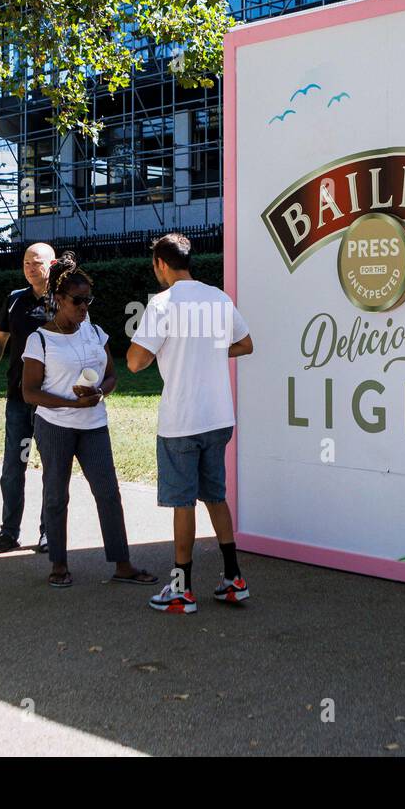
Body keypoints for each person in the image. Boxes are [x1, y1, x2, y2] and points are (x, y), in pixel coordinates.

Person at [127, 233, 254, 614]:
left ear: (160, 265)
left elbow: (135, 362)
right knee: (215, 496)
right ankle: (234, 578)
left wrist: (164, 349)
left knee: (183, 503)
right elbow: (246, 344)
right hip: (219, 416)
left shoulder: (162, 304)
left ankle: (181, 588)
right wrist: (212, 351)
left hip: (181, 420)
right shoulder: (218, 297)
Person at [21, 253, 156, 588]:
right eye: (77, 301)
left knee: (108, 493)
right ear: (58, 300)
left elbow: (111, 376)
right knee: (56, 495)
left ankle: (122, 564)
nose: (83, 307)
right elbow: (30, 392)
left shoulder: (95, 332)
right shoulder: (40, 339)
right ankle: (59, 564)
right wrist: (71, 403)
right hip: (55, 426)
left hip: (93, 424)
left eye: (87, 300)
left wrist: (99, 395)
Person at [0, 242, 55, 554]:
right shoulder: (15, 300)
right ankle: (8, 532)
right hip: (18, 397)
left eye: (36, 262)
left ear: (50, 265)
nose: (29, 267)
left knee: (52, 466)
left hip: (52, 400)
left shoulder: (63, 299)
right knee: (14, 466)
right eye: (25, 262)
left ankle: (49, 532)